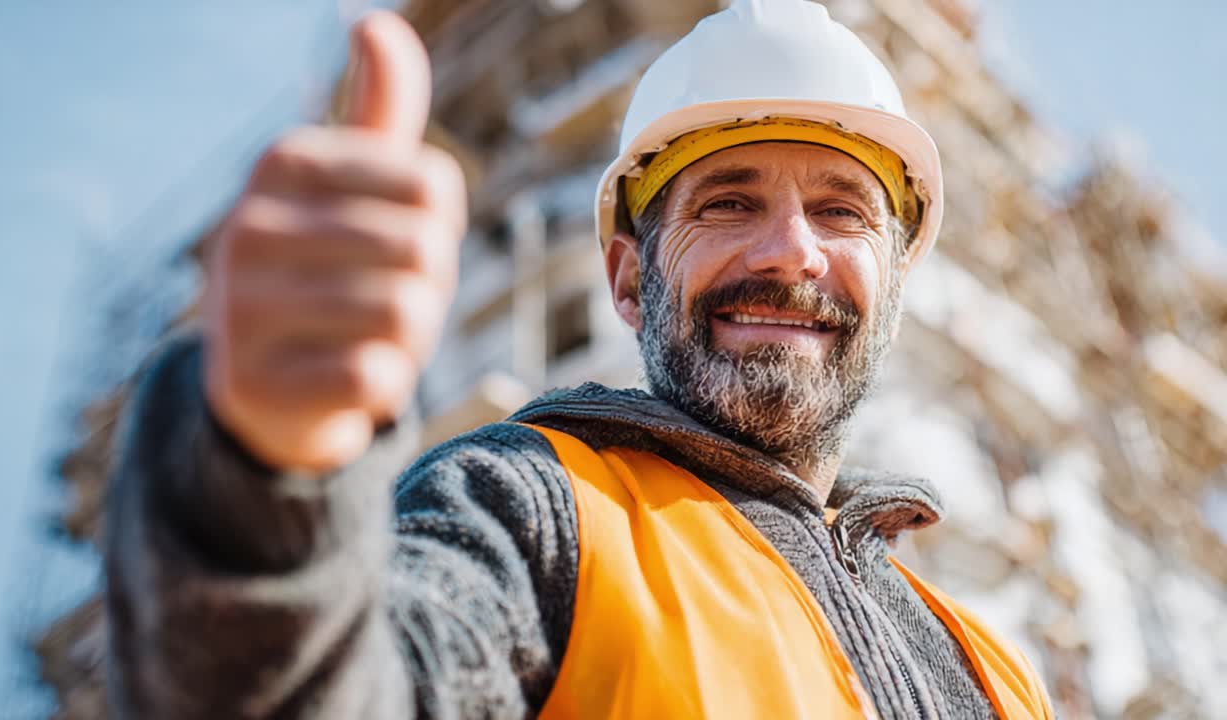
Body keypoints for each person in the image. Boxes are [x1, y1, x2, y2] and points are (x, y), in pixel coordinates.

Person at [104, 2, 1053, 718]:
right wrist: (261, 483)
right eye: (727, 202)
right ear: (628, 277)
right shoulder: (533, 514)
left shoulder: (997, 674)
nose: (788, 252)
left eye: (843, 210)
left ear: (892, 284)